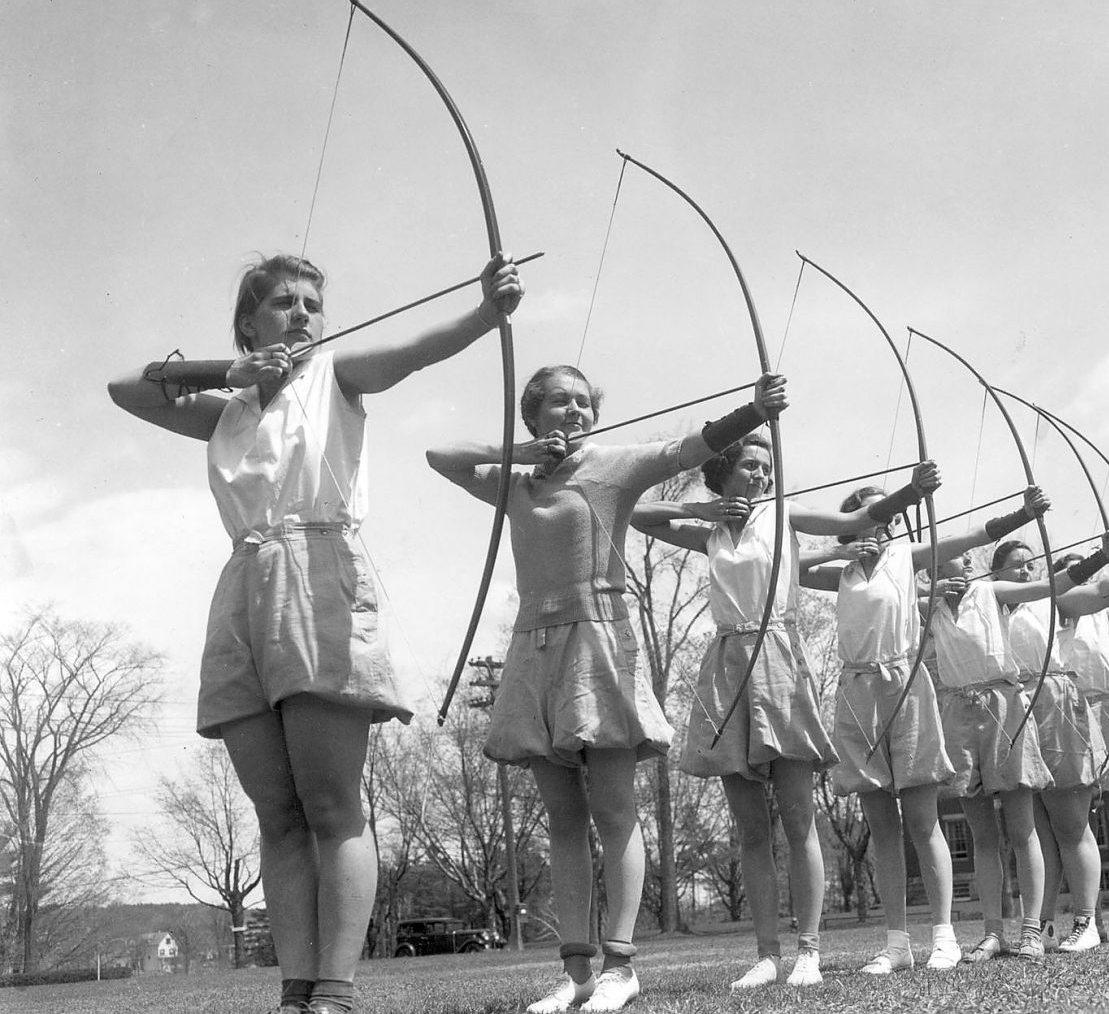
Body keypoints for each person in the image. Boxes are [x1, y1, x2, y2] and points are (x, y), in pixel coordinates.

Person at [108, 252, 526, 1014]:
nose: (303, 314)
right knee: (276, 809)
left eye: (313, 304)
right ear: (248, 324)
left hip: (319, 571)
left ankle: (335, 989)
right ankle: (295, 988)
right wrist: (230, 373)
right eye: (284, 303)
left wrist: (484, 312)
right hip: (243, 585)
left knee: (331, 802)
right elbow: (125, 388)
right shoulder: (227, 410)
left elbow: (414, 352)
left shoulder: (335, 376)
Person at [426, 367, 786, 1014]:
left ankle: (621, 965)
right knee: (563, 819)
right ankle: (576, 973)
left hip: (598, 642)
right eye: (560, 401)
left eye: (585, 402)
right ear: (533, 415)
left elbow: (691, 447)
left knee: (614, 809)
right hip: (535, 646)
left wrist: (753, 412)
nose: (575, 411)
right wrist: (517, 454)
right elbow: (438, 457)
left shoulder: (614, 464)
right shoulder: (518, 479)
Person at [630, 438, 940, 990]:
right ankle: (767, 954)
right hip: (726, 664)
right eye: (751, 464)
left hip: (776, 656)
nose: (762, 476)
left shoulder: (781, 514)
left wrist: (910, 494)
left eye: (768, 467)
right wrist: (697, 511)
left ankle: (808, 951)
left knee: (798, 818)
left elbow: (865, 515)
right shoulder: (712, 531)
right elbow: (634, 513)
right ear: (724, 471)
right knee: (750, 827)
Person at [802, 482, 1050, 975]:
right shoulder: (843, 572)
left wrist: (1021, 514)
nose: (885, 526)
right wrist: (840, 546)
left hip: (904, 684)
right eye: (872, 518)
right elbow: (788, 570)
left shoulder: (907, 557)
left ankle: (944, 937)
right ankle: (897, 942)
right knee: (880, 824)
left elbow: (973, 536)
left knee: (922, 818)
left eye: (890, 518)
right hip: (855, 691)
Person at [922, 544, 1109, 965]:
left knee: (1023, 828)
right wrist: (930, 590)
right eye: (956, 555)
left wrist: (1097, 562)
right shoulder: (929, 606)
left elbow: (1052, 585)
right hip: (957, 714)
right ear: (932, 566)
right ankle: (992, 932)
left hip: (1004, 708)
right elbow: (891, 602)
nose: (967, 560)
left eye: (970, 557)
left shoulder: (992, 593)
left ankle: (1030, 930)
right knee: (982, 836)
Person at [997, 540, 1109, 956]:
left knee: (1073, 824)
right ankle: (1038, 926)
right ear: (995, 571)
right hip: (1017, 709)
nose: (1026, 572)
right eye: (1017, 565)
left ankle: (1088, 921)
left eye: (1031, 565)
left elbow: (1095, 593)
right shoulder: (989, 604)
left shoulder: (1049, 601)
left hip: (1055, 704)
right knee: (1037, 831)